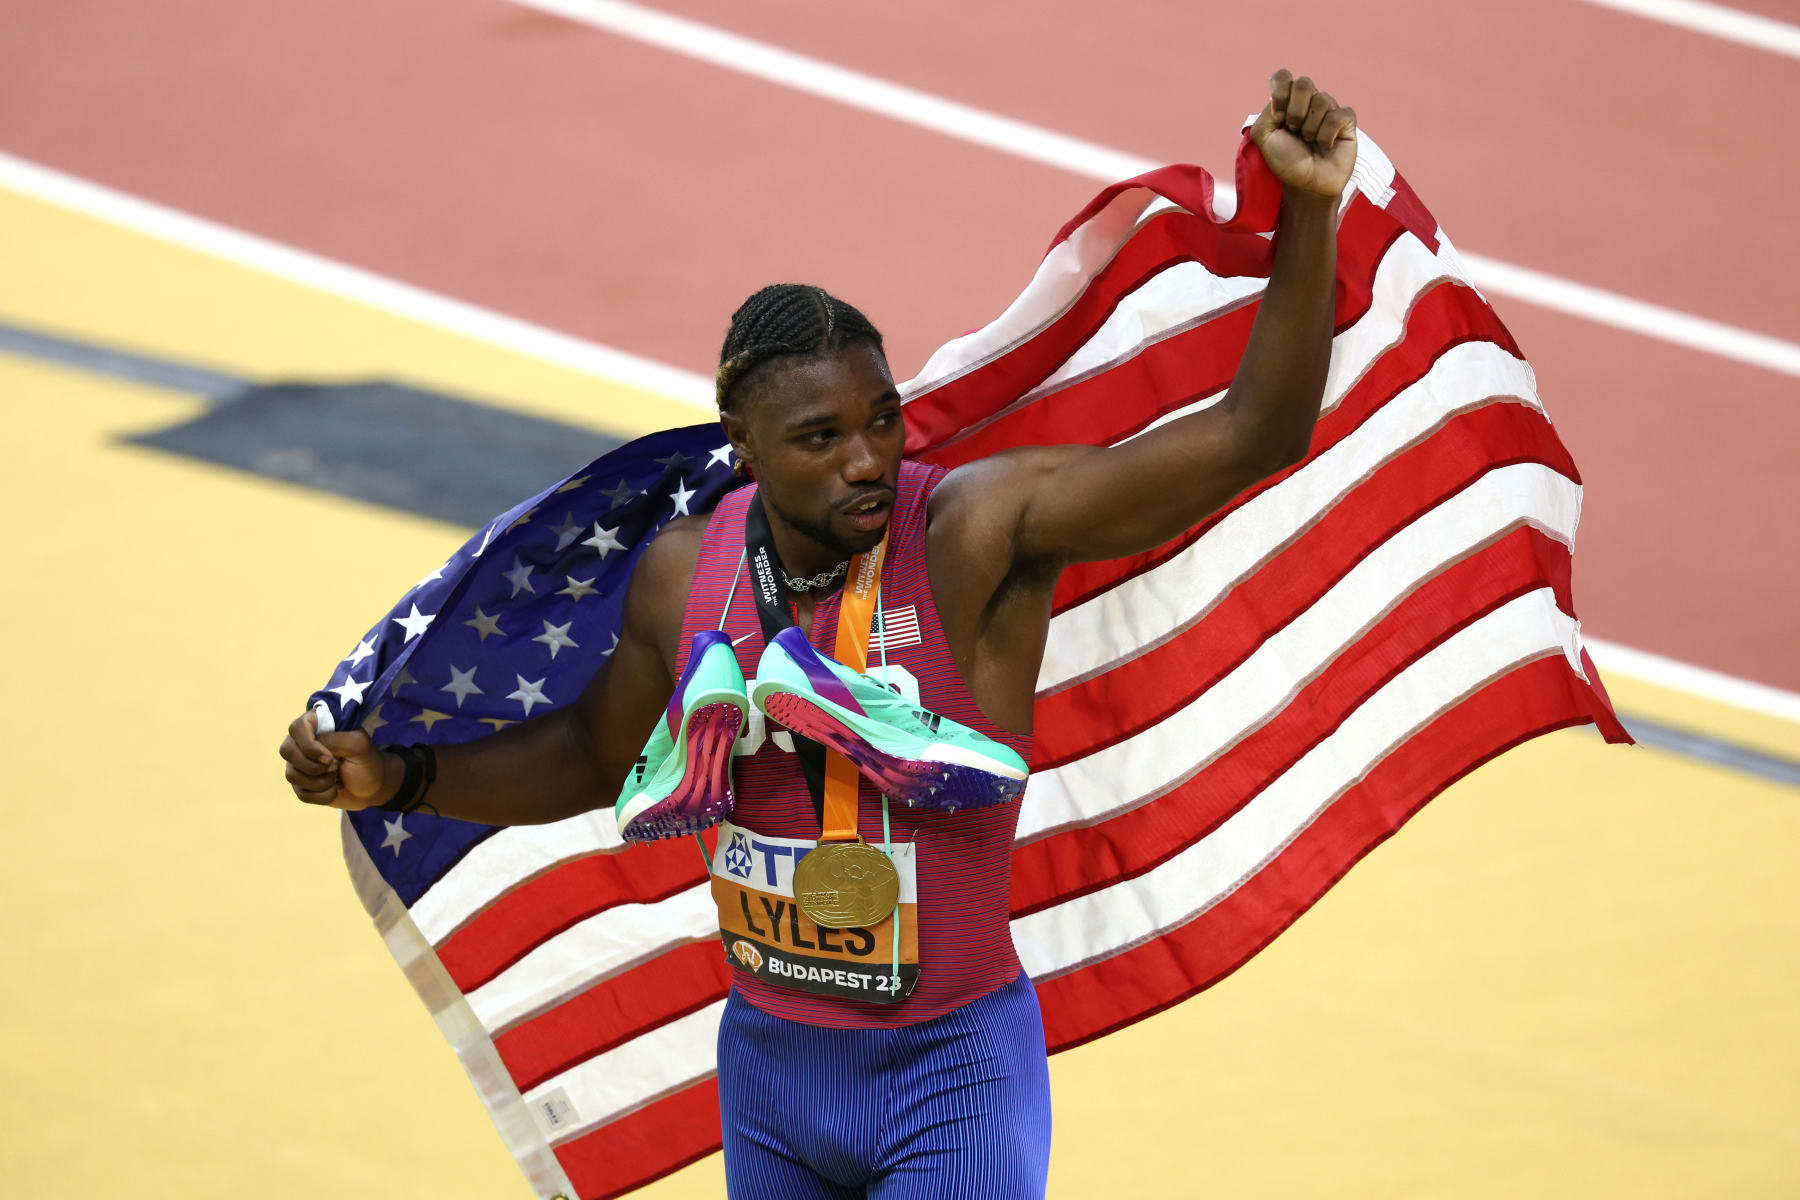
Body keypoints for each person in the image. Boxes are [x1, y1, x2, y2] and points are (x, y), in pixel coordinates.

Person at [281, 69, 1357, 1200]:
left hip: (949, 1073)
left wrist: (1310, 211)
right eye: (821, 436)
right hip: (772, 1077)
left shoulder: (970, 534)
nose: (866, 459)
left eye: (882, 419)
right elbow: (595, 758)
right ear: (742, 447)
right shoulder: (677, 577)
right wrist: (400, 774)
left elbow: (1251, 434)